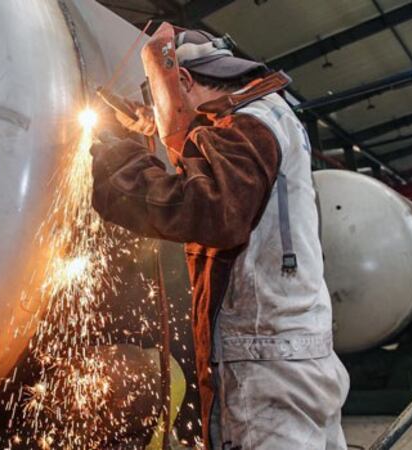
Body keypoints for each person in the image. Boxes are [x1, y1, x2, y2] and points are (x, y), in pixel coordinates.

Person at [90, 23, 350, 449]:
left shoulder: (246, 126)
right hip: (301, 353)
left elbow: (211, 208)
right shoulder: (270, 112)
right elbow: (212, 153)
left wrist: (121, 162)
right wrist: (150, 124)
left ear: (186, 80)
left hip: (266, 366)